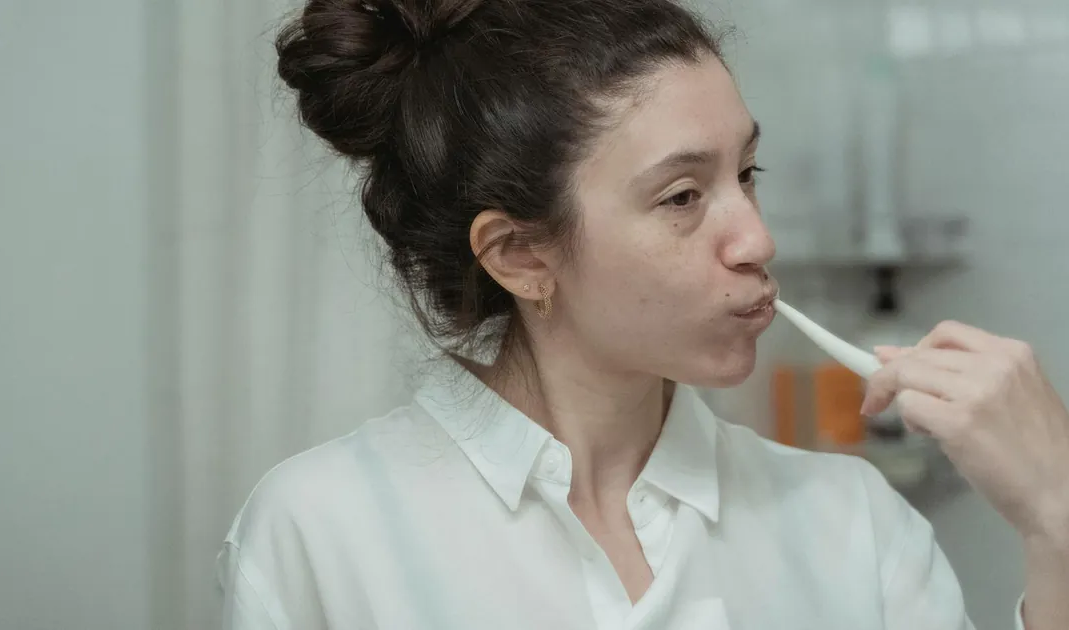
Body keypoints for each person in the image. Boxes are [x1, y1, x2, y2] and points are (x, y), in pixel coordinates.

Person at [218, 0, 1069, 628]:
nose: (756, 239)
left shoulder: (852, 523)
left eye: (748, 175)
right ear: (520, 255)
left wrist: (1057, 515)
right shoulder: (322, 531)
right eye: (682, 195)